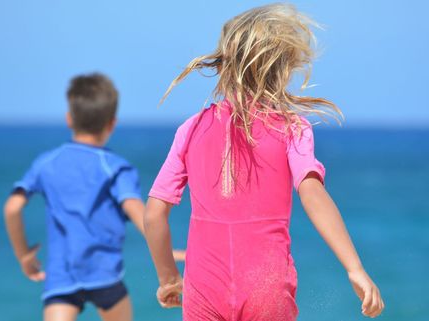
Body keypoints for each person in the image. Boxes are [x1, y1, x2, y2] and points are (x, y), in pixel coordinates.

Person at [143, 4, 384, 320]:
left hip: (203, 286)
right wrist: (355, 268)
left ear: (224, 64)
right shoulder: (291, 127)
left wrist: (168, 277)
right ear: (283, 68)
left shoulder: (191, 129)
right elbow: (312, 193)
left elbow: (154, 214)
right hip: (266, 283)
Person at [4, 73, 184, 321]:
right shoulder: (115, 167)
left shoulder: (46, 163)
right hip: (105, 277)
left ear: (69, 119)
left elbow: (12, 208)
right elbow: (136, 209)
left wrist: (24, 255)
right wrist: (165, 249)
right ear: (111, 123)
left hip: (61, 278)